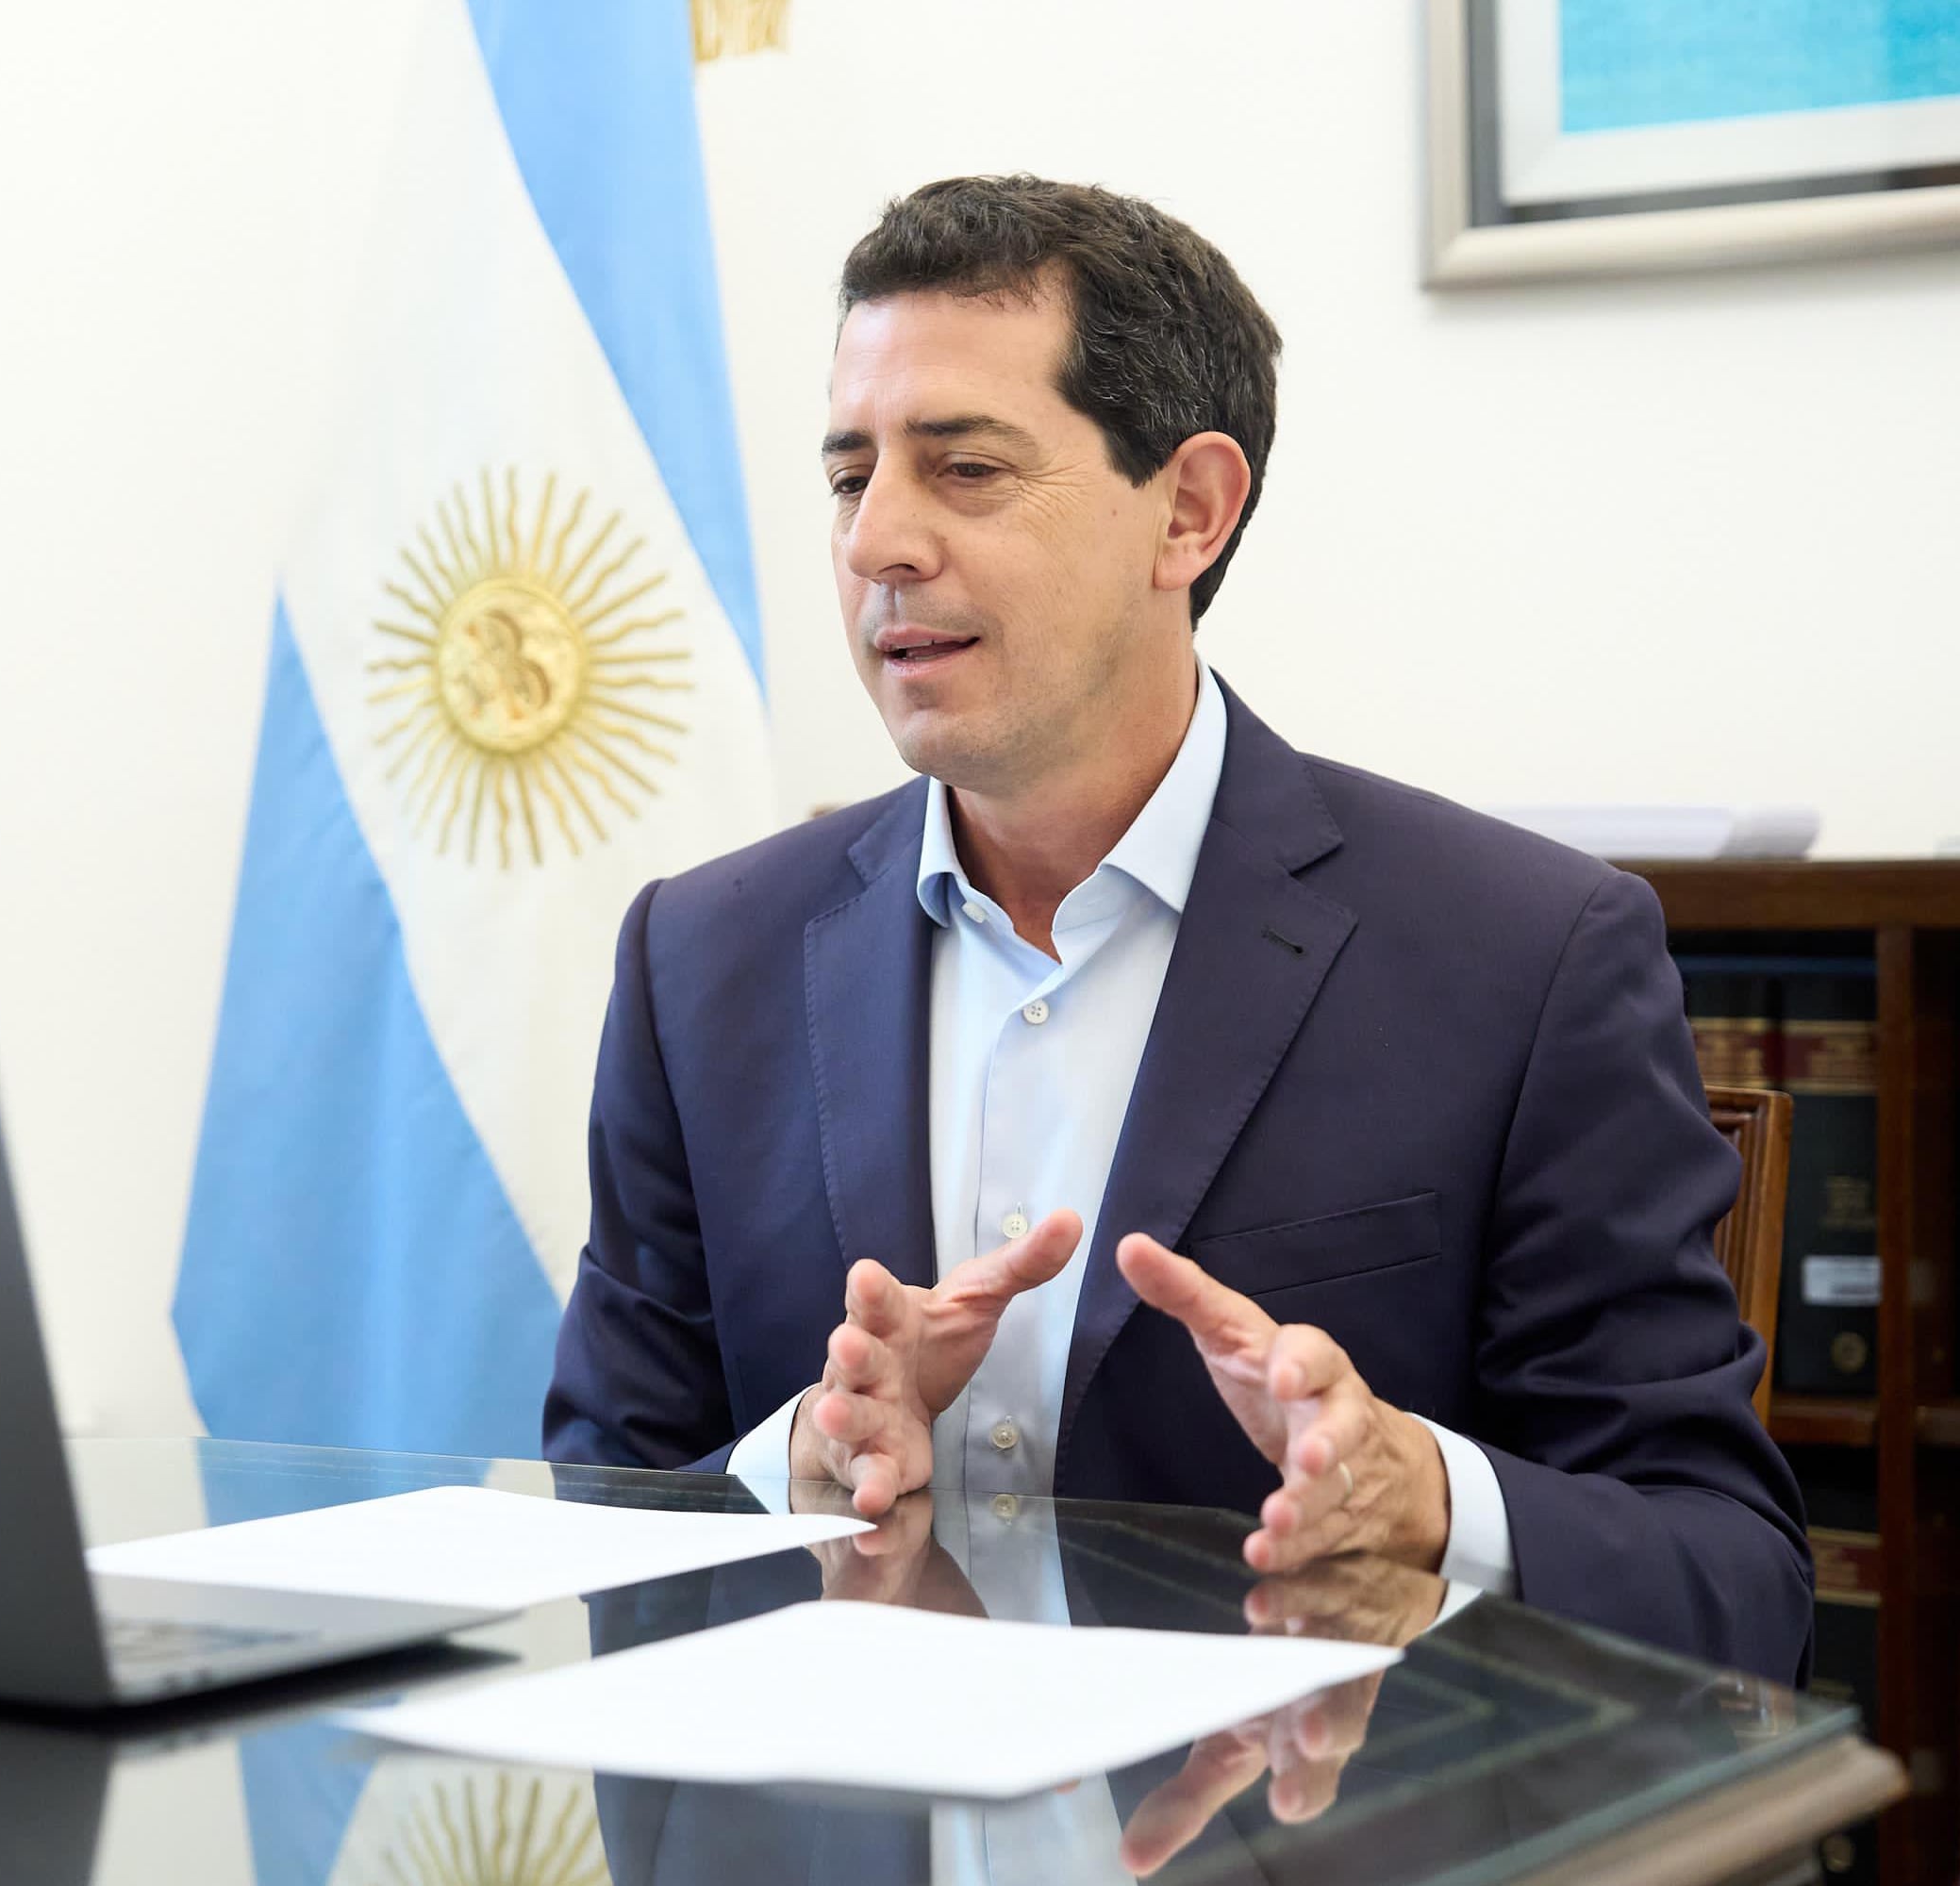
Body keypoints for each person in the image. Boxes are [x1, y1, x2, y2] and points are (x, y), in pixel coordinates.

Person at [541, 175, 1811, 1683]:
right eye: (847, 475)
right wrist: (804, 1464)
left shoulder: (1526, 961)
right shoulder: (701, 965)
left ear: (1189, 514)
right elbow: (599, 1532)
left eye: (964, 470)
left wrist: (1425, 1499)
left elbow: (1734, 1589)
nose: (877, 538)